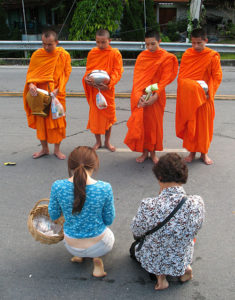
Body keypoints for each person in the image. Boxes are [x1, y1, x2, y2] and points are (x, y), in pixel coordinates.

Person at [131, 153, 205, 290]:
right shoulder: (197, 202)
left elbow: (136, 230)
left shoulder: (149, 205)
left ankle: (161, 278)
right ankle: (185, 268)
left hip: (156, 256)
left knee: (134, 247)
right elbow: (197, 228)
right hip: (181, 255)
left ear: (160, 177)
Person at [48, 146, 115, 277]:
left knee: (73, 237)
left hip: (71, 245)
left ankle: (79, 256)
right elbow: (109, 220)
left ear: (70, 165)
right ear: (95, 165)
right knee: (109, 233)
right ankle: (96, 261)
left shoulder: (58, 186)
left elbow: (54, 215)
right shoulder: (104, 188)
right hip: (99, 245)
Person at [124, 30, 178, 164]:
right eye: (147, 44)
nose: (149, 47)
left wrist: (156, 95)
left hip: (157, 97)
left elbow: (165, 79)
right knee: (143, 125)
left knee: (154, 126)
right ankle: (144, 152)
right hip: (142, 96)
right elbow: (137, 79)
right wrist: (138, 97)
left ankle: (153, 153)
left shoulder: (167, 57)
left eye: (153, 44)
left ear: (159, 42)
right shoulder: (142, 56)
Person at [176, 28, 222, 165]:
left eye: (199, 43)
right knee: (192, 126)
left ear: (206, 41)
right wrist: (191, 88)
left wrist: (210, 92)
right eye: (193, 43)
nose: (195, 46)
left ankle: (204, 153)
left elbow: (217, 77)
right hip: (191, 97)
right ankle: (192, 152)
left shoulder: (212, 56)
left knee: (204, 128)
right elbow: (182, 77)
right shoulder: (187, 55)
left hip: (205, 98)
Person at [23, 28, 72, 160]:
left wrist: (58, 89)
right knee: (41, 122)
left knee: (58, 122)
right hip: (40, 94)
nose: (46, 47)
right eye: (44, 43)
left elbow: (65, 74)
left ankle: (57, 150)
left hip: (57, 93)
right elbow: (31, 74)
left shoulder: (63, 55)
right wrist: (31, 84)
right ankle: (44, 149)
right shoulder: (37, 55)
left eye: (49, 44)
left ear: (57, 42)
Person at [82, 29, 123, 152]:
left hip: (107, 90)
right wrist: (87, 79)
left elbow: (118, 71)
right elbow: (88, 70)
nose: (100, 45)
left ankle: (107, 142)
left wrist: (109, 84)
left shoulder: (115, 53)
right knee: (95, 118)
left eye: (103, 42)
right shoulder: (92, 53)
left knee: (108, 119)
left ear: (109, 41)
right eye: (98, 42)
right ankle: (98, 141)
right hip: (95, 90)